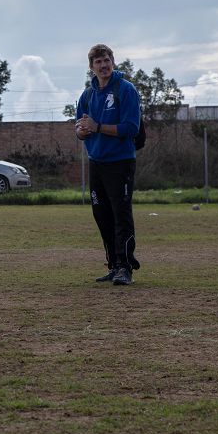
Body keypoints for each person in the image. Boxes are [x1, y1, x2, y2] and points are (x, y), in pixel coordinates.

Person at [75, 44, 142, 286]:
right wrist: (82, 131)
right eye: (98, 62)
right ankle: (113, 265)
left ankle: (126, 267)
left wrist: (98, 127)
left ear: (113, 61)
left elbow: (131, 128)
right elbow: (80, 125)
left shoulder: (126, 90)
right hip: (97, 163)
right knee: (101, 214)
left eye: (106, 60)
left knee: (120, 214)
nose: (103, 66)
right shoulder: (88, 94)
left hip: (120, 162)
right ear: (91, 67)